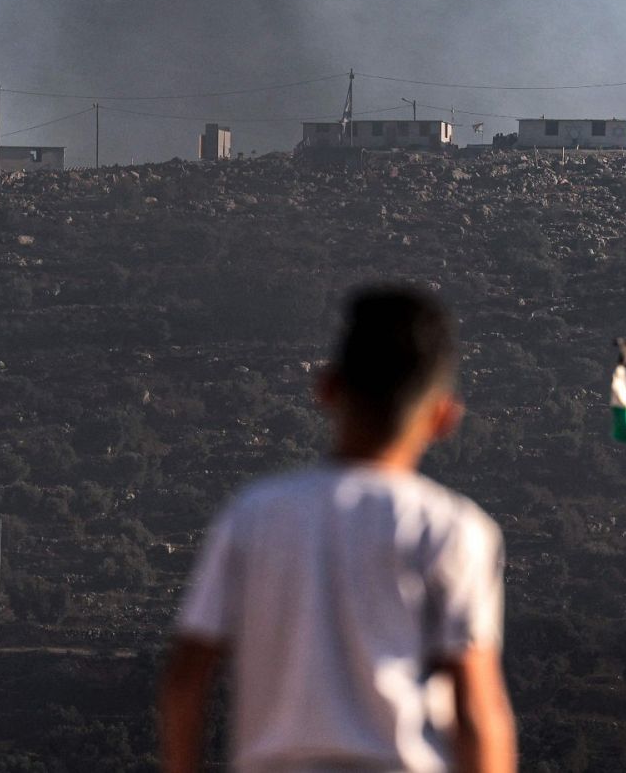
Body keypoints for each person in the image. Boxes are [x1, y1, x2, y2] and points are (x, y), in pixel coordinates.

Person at [159, 286, 515, 773]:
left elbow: (186, 678)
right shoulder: (453, 529)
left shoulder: (255, 514)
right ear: (443, 416)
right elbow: (475, 704)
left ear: (327, 389)